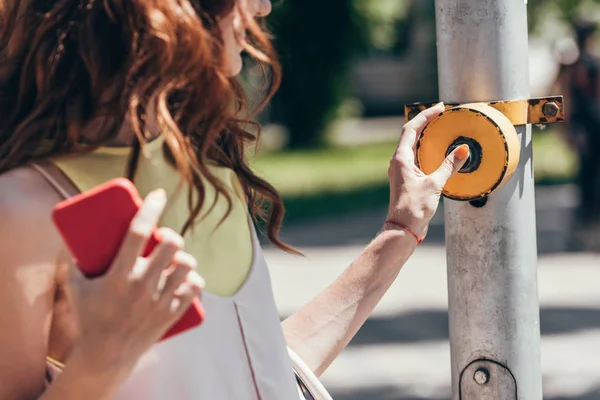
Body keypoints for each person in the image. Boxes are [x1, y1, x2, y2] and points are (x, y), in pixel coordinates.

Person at [0, 0, 470, 399]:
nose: (263, 5)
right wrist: (100, 362)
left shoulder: (208, 171)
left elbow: (261, 374)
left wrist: (402, 228)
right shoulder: (22, 209)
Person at [555, 19, 600, 250]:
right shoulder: (579, 66)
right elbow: (566, 99)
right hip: (589, 125)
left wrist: (567, 128)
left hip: (589, 125)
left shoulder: (577, 66)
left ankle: (587, 228)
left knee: (589, 177)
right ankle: (586, 230)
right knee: (588, 177)